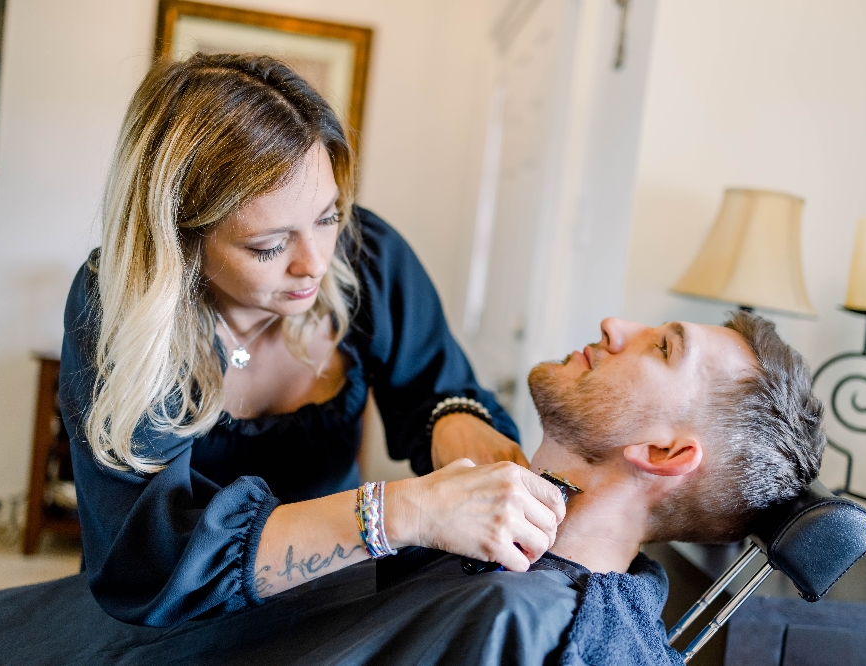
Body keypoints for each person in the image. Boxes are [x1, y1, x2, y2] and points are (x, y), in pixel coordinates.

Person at [0, 311, 825, 664]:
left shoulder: (519, 621)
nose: (616, 324)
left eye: (662, 346)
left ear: (669, 450)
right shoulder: (469, 537)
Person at [59, 53, 566, 627]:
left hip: (332, 606)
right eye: (269, 246)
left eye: (327, 217)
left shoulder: (368, 255)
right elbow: (149, 560)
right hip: (171, 627)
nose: (315, 264)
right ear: (180, 242)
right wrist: (402, 511)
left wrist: (457, 426)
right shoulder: (116, 304)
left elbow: (437, 389)